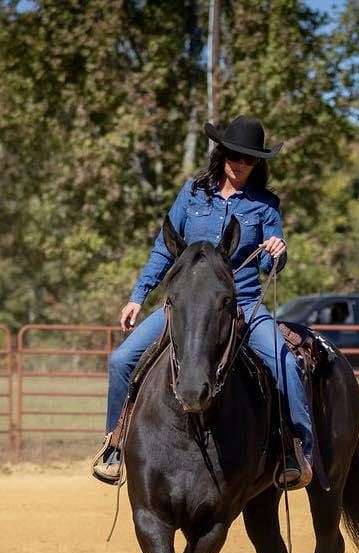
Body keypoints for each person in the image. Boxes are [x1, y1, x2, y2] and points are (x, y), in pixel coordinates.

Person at [92, 115, 313, 489]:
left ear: (258, 163)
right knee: (121, 360)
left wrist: (276, 251)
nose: (241, 166)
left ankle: (296, 450)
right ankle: (114, 443)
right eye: (235, 157)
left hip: (241, 305)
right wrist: (137, 296)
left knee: (284, 362)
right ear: (222, 153)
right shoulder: (192, 194)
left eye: (250, 160)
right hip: (183, 306)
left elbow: (269, 262)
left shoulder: (265, 205)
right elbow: (165, 248)